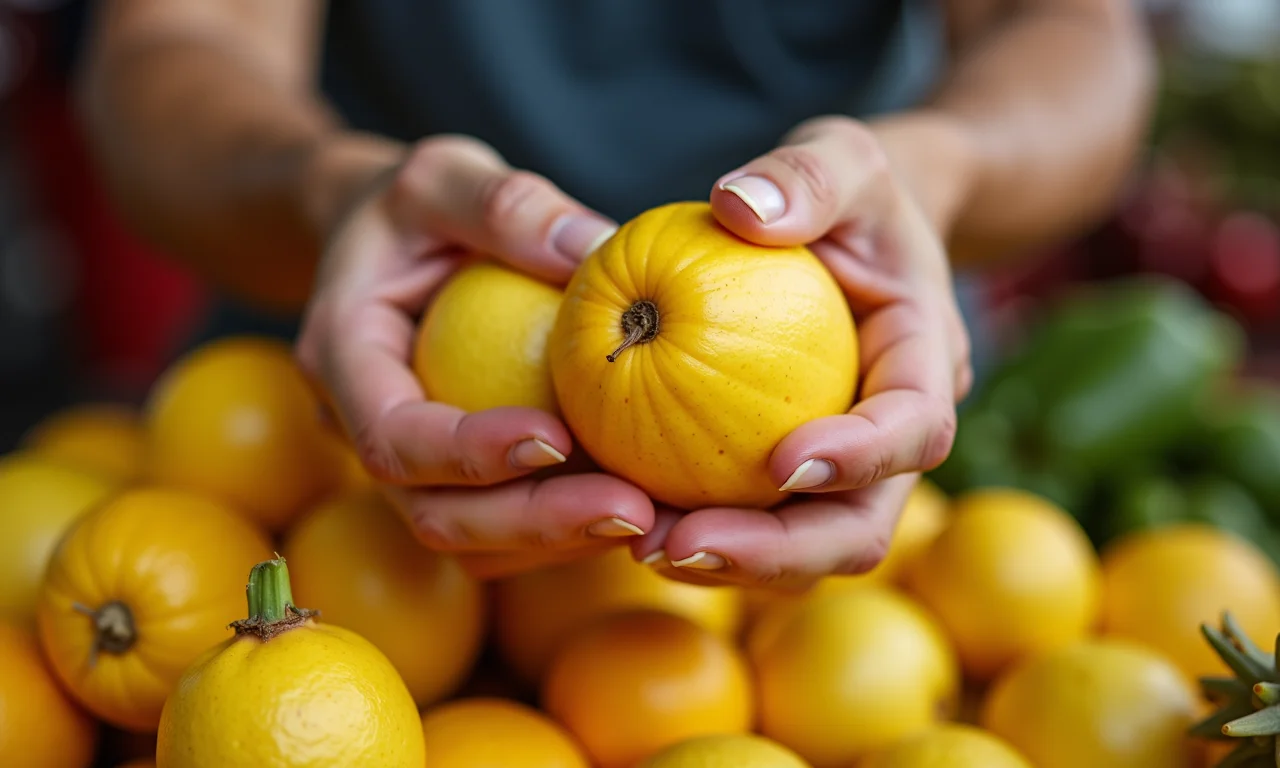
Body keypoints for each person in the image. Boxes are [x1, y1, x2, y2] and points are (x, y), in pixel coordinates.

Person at [76, 1, 1154, 590]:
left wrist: (930, 170)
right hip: (335, 432)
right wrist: (331, 192)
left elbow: (1074, 34)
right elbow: (172, 46)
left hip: (861, 410)